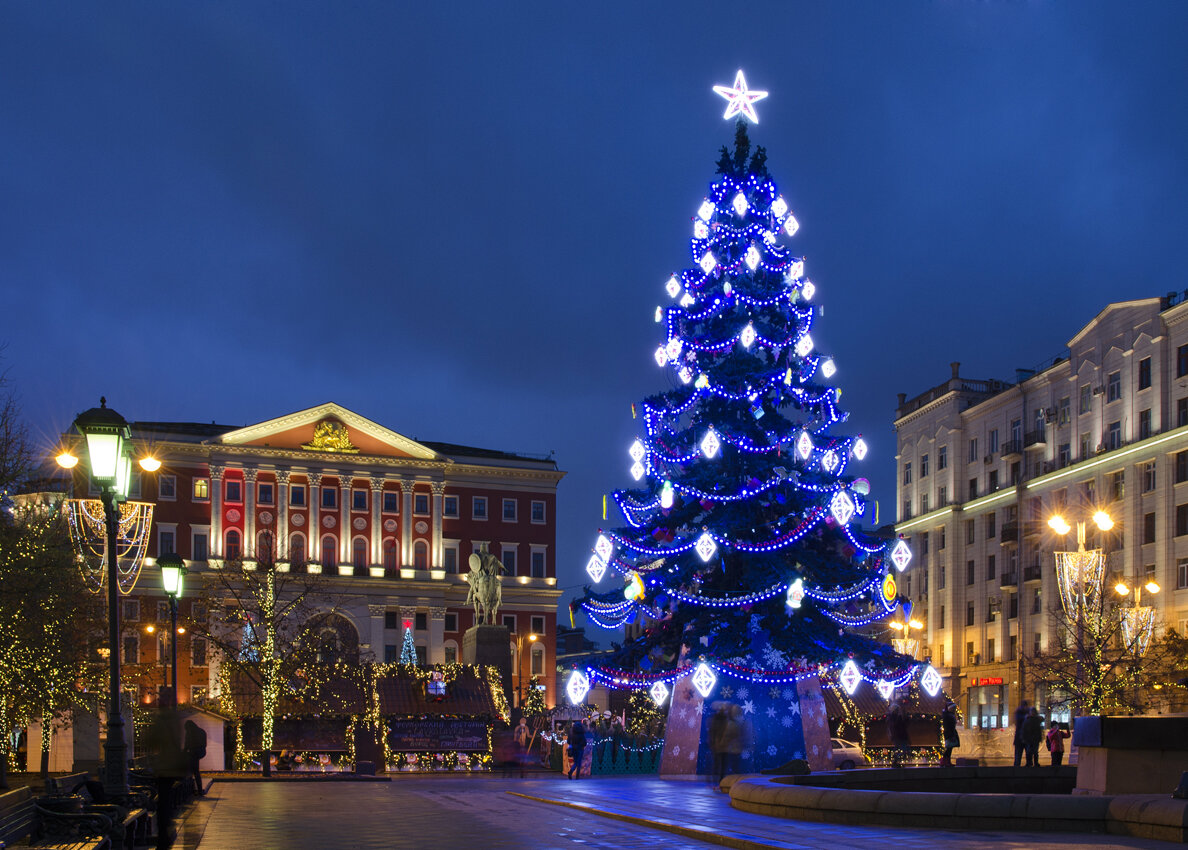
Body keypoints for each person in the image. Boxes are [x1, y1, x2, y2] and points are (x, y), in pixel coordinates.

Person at [183, 719, 207, 797]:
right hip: (201, 752)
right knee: (196, 771)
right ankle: (199, 790)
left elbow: (187, 744)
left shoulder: (190, 733)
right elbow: (204, 744)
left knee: (191, 770)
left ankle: (192, 790)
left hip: (193, 753)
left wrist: (184, 752)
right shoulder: (202, 731)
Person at [887, 702, 910, 768]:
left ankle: (896, 761)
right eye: (897, 710)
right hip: (899, 736)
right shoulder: (894, 718)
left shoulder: (894, 717)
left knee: (901, 749)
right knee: (904, 749)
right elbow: (901, 725)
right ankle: (895, 761)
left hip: (899, 736)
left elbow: (903, 724)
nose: (898, 711)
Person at [941, 702, 960, 767]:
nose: (954, 709)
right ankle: (945, 762)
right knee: (949, 749)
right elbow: (949, 726)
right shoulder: (948, 716)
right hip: (949, 733)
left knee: (949, 748)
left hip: (949, 733)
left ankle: (946, 762)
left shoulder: (947, 715)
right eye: (953, 708)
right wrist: (951, 733)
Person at [1012, 700, 1030, 766]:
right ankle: (1021, 765)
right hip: (1022, 738)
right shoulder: (1025, 714)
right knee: (1023, 754)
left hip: (1021, 738)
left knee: (1019, 754)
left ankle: (1017, 766)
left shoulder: (1019, 713)